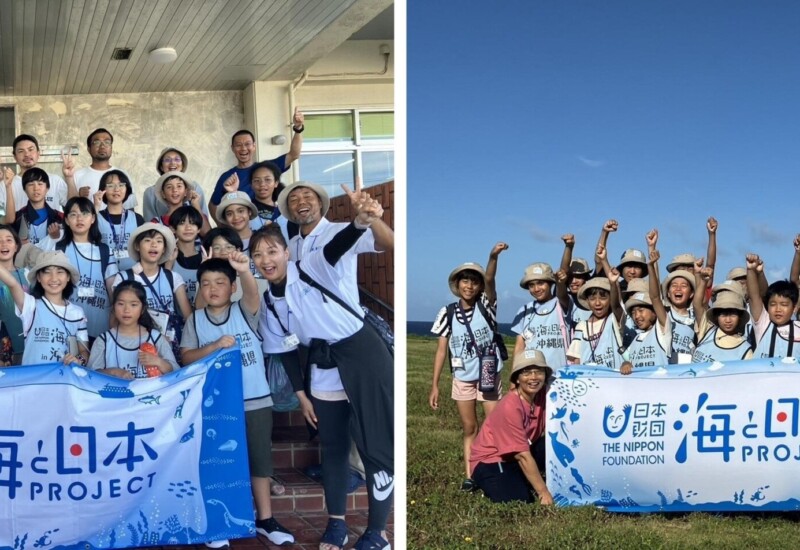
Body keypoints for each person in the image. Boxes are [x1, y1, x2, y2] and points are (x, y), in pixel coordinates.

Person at [250, 188, 392, 550]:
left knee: (375, 443)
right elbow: (282, 351)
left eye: (272, 251)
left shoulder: (311, 262)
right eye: (258, 255)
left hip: (361, 351)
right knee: (332, 445)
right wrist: (301, 396)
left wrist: (362, 220)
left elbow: (338, 246)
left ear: (287, 251)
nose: (266, 260)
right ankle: (337, 523)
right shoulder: (269, 302)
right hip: (323, 361)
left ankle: (378, 530)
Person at [181, 253, 295, 548]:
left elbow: (254, 291)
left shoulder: (245, 310)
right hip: (216, 406)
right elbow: (186, 357)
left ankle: (266, 519)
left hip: (255, 399)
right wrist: (214, 346)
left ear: (232, 288)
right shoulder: (195, 320)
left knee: (259, 460)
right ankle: (218, 523)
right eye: (205, 284)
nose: (213, 288)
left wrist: (244, 270)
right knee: (219, 462)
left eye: (220, 282)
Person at [430, 243, 507, 492]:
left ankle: (498, 468)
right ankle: (470, 474)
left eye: (475, 281)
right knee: (469, 427)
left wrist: (492, 257)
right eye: (465, 280)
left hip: (488, 374)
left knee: (495, 424)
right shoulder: (447, 313)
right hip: (462, 377)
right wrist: (434, 385)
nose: (469, 286)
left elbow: (492, 279)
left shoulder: (486, 305)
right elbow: (442, 349)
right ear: (458, 284)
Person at [469, 349, 552, 504]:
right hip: (492, 459)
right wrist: (544, 492)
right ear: (518, 378)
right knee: (519, 499)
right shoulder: (510, 406)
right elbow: (521, 454)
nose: (533, 377)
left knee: (552, 443)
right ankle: (488, 480)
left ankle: (523, 476)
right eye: (526, 372)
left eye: (538, 371)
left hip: (519, 453)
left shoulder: (543, 395)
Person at [111, 223, 192, 364]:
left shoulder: (173, 277)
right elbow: (114, 316)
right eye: (148, 240)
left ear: (164, 249)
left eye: (159, 241)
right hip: (137, 347)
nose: (153, 245)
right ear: (137, 246)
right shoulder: (123, 278)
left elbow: (188, 317)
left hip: (169, 345)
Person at [208, 108, 304, 222]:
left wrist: (298, 129)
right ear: (232, 148)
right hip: (244, 228)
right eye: (238, 145)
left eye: (247, 144)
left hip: (273, 224)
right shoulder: (227, 177)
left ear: (254, 146)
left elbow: (294, 154)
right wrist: (225, 228)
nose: (243, 148)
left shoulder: (267, 168)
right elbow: (213, 204)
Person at [0, 250, 88, 365]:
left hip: (63, 380)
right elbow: (12, 284)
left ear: (68, 277)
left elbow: (84, 351)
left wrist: (78, 360)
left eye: (60, 272)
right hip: (32, 380)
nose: (54, 278)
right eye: (47, 272)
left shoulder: (78, 313)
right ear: (39, 278)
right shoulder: (30, 305)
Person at [56, 197, 118, 343]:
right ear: (66, 220)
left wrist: (115, 320)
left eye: (84, 213)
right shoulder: (59, 249)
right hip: (67, 325)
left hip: (101, 325)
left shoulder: (104, 251)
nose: (79, 218)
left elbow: (112, 289)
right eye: (73, 214)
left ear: (93, 219)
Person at [88, 280, 178, 378]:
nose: (126, 310)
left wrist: (159, 362)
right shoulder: (103, 341)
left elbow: (177, 373)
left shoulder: (156, 338)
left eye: (133, 305)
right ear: (113, 307)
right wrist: (112, 372)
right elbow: (90, 376)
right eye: (121, 304)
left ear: (142, 309)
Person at [567, 245, 625, 370]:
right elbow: (576, 359)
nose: (597, 303)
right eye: (592, 299)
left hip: (613, 379)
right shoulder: (581, 326)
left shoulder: (614, 320)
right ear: (587, 300)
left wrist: (613, 283)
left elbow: (617, 304)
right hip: (590, 381)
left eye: (603, 298)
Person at [510, 260, 571, 373]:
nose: (536, 289)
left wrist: (561, 283)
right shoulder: (524, 311)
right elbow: (519, 347)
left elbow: (562, 294)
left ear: (551, 283)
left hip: (560, 375)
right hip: (532, 377)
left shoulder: (562, 304)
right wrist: (514, 376)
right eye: (531, 285)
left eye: (540, 283)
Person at [619, 250, 672, 372]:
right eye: (633, 312)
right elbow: (628, 360)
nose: (637, 316)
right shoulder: (635, 341)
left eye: (641, 310)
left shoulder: (662, 331)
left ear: (654, 311)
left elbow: (655, 297)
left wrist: (651, 266)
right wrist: (626, 364)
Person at [0, 134, 78, 214]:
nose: (27, 154)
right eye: (21, 151)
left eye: (30, 150)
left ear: (38, 154)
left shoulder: (55, 180)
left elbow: (74, 206)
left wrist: (69, 178)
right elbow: (2, 216)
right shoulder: (5, 185)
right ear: (15, 157)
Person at [692, 268, 753, 363]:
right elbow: (697, 304)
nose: (728, 320)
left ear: (740, 316)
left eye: (732, 314)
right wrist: (703, 281)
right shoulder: (707, 330)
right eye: (723, 314)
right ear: (716, 316)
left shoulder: (745, 350)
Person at [746, 254, 800, 359]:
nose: (778, 309)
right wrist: (751, 270)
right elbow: (754, 297)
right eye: (773, 304)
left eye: (784, 304)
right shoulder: (763, 323)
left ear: (794, 308)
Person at [74, 128, 138, 210]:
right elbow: (68, 209)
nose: (102, 146)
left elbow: (129, 208)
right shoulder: (77, 175)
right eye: (97, 142)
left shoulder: (122, 174)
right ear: (89, 149)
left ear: (111, 148)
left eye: (107, 142)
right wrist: (79, 197)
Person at [2, 167, 64, 250]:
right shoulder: (18, 218)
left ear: (47, 188)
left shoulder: (59, 217)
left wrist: (57, 237)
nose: (36, 188)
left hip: (50, 261)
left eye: (40, 184)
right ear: (24, 189)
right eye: (31, 184)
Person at [95, 170, 145, 271]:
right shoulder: (95, 217)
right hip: (104, 273)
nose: (116, 189)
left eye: (121, 185)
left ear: (127, 189)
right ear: (102, 190)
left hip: (133, 276)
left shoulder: (137, 219)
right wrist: (95, 207)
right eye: (110, 185)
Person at [143, 147, 210, 222]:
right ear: (161, 167)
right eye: (167, 160)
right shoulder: (150, 192)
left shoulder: (194, 187)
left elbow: (204, 225)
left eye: (177, 159)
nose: (173, 163)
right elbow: (149, 225)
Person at [0, 224, 29, 363]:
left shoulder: (28, 275)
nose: (3, 244)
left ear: (16, 246)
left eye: (8, 240)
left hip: (27, 347)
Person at [167, 206, 204, 305]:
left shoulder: (206, 257)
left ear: (199, 229)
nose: (188, 227)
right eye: (182, 223)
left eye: (192, 223)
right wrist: (168, 264)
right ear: (172, 229)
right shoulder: (166, 258)